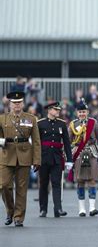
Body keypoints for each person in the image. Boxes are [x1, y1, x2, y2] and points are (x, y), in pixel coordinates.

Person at [0, 91, 41, 227]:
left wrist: (37, 160)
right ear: (10, 104)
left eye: (19, 102)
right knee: (4, 185)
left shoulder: (31, 118)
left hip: (24, 156)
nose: (17, 105)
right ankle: (10, 211)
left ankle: (18, 217)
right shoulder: (2, 118)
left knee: (22, 189)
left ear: (23, 103)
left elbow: (36, 141)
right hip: (7, 154)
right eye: (14, 103)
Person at [37, 101, 73, 218]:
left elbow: (67, 143)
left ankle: (58, 208)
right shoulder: (40, 124)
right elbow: (36, 144)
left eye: (58, 109)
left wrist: (69, 160)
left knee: (56, 183)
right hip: (43, 157)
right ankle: (43, 209)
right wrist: (35, 160)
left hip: (57, 158)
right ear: (49, 110)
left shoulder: (62, 124)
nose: (58, 111)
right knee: (43, 184)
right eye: (55, 109)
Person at [68, 101, 98, 217]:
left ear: (87, 112)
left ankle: (92, 208)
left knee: (92, 180)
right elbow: (69, 140)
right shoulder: (72, 124)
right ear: (77, 113)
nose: (82, 114)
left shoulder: (93, 123)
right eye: (80, 112)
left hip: (92, 152)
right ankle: (81, 209)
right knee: (80, 180)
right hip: (78, 153)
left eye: (84, 112)